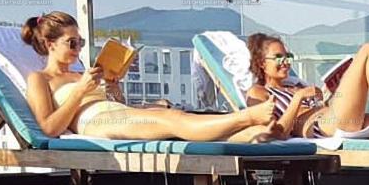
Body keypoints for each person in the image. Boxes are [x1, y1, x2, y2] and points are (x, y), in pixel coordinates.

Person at [22, 12, 278, 142]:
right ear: (49, 43)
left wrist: (113, 86)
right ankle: (247, 116)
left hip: (116, 114)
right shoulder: (40, 78)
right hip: (94, 123)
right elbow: (49, 128)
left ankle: (251, 133)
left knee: (174, 119)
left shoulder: (81, 73)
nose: (78, 48)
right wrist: (80, 90)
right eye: (72, 43)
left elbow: (116, 103)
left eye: (80, 42)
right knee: (171, 119)